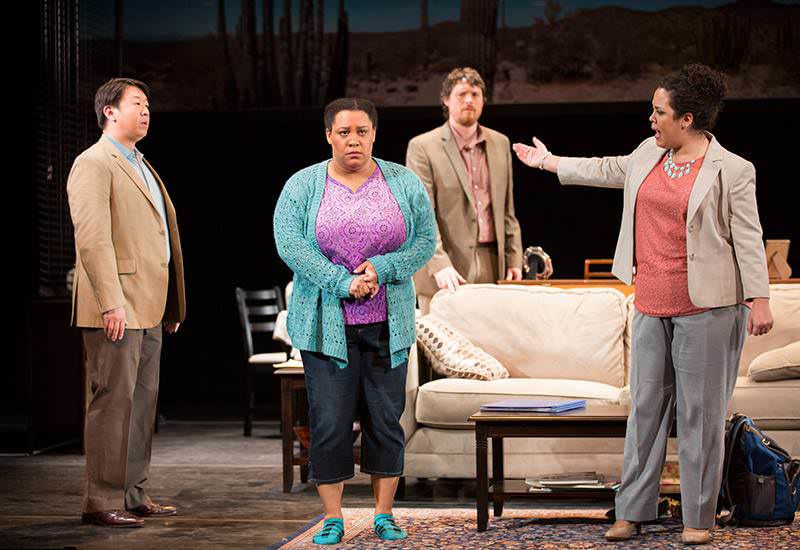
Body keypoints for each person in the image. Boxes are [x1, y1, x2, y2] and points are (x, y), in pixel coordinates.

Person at [512, 63, 773, 546]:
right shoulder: (647, 153)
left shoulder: (732, 169)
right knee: (645, 412)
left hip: (709, 308)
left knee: (699, 417)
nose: (651, 119)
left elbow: (748, 237)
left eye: (659, 112)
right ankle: (632, 511)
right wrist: (549, 162)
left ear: (687, 119)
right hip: (651, 303)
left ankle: (698, 517)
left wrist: (759, 298)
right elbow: (605, 168)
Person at [273, 97, 436, 545]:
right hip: (326, 325)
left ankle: (384, 514)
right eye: (344, 132)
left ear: (374, 134)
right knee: (330, 421)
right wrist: (341, 282)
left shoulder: (402, 182)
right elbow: (289, 244)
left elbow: (425, 240)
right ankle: (333, 516)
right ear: (329, 135)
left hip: (388, 323)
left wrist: (382, 269)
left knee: (386, 420)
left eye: (362, 132)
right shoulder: (303, 185)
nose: (353, 140)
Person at [67, 78, 186, 527]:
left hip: (148, 304)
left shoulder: (140, 163)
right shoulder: (94, 162)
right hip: (116, 304)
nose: (146, 110)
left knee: (141, 404)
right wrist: (110, 302)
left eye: (148, 104)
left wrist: (170, 303)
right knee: (113, 403)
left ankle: (133, 493)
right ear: (110, 111)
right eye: (137, 103)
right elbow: (93, 239)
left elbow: (157, 237)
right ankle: (101, 501)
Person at [406, 67, 548, 313]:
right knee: (442, 337)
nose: (469, 100)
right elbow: (420, 214)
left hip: (492, 263)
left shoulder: (500, 143)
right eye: (461, 94)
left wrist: (513, 258)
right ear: (446, 100)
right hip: (445, 268)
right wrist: (438, 263)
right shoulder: (423, 146)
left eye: (475, 94)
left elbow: (506, 209)